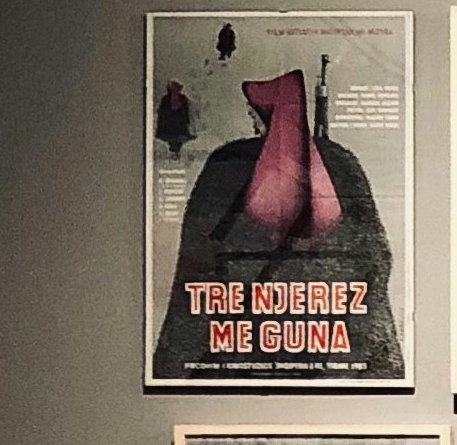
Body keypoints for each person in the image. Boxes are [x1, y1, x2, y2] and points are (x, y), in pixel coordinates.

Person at [154, 57, 399, 379]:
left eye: (253, 113)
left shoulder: (227, 167)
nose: (252, 120)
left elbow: (196, 275)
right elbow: (376, 263)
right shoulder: (341, 163)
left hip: (241, 361)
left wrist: (172, 370)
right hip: (325, 361)